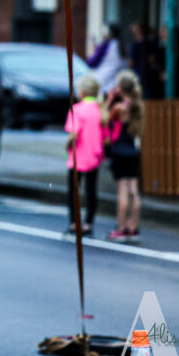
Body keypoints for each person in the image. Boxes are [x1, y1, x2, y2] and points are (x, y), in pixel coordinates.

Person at [103, 70, 145, 243]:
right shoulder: (139, 106)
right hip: (133, 151)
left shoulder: (119, 108)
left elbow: (104, 119)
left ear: (121, 88)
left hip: (119, 150)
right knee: (134, 190)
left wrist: (109, 100)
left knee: (123, 191)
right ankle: (133, 226)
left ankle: (121, 228)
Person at [64, 75, 104, 236]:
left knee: (74, 191)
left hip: (78, 156)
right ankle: (88, 223)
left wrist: (67, 145)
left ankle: (75, 223)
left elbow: (74, 134)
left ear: (81, 93)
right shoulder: (101, 110)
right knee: (91, 191)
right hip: (94, 156)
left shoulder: (77, 109)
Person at [87, 24, 128, 94]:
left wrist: (92, 52)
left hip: (104, 84)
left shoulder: (106, 45)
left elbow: (91, 63)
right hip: (118, 86)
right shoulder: (122, 45)